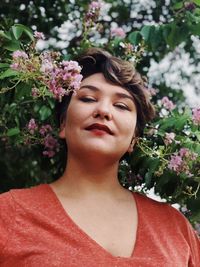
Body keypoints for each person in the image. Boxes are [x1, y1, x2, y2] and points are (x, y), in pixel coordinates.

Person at [0, 48, 199, 267]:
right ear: (63, 124)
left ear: (134, 139)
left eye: (121, 105)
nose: (103, 110)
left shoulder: (175, 228)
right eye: (87, 98)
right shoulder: (9, 213)